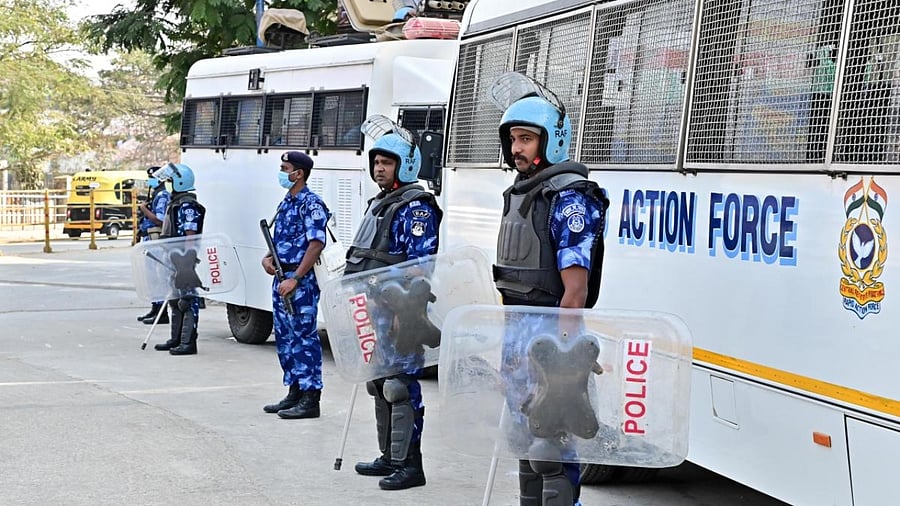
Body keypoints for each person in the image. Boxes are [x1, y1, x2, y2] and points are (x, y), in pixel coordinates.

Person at [492, 74, 608, 506]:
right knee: (526, 444)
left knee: (551, 448)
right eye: (514, 139)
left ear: (551, 141)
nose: (517, 148)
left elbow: (574, 290)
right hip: (519, 337)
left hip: (551, 341)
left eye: (527, 139)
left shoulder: (571, 198)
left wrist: (563, 364)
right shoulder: (523, 193)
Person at [351, 117, 442, 491]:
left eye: (386, 163)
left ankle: (411, 465)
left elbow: (421, 270)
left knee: (400, 388)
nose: (379, 169)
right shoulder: (381, 204)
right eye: (376, 162)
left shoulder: (416, 208)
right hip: (377, 312)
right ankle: (390, 455)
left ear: (404, 164)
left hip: (402, 314)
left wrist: (409, 314)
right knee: (379, 384)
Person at [261, 151, 330, 420]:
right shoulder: (286, 202)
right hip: (282, 278)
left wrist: (296, 278)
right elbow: (280, 243)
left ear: (298, 173)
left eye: (284, 168)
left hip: (299, 282)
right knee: (285, 337)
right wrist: (267, 260)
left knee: (304, 338)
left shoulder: (311, 204)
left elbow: (316, 244)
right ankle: (295, 391)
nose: (281, 172)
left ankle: (311, 398)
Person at [151, 163, 206, 356]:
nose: (167, 185)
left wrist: (186, 263)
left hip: (183, 260)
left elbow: (190, 235)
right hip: (172, 257)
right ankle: (175, 338)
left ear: (180, 182)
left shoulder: (188, 206)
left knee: (187, 300)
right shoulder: (176, 203)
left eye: (169, 181)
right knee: (174, 299)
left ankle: (188, 342)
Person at [136, 166, 171, 325]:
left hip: (155, 239)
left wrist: (144, 209)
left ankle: (161, 312)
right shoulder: (156, 193)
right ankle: (155, 308)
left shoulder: (163, 195)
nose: (150, 180)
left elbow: (160, 219)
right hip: (149, 238)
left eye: (152, 177)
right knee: (151, 277)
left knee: (157, 277)